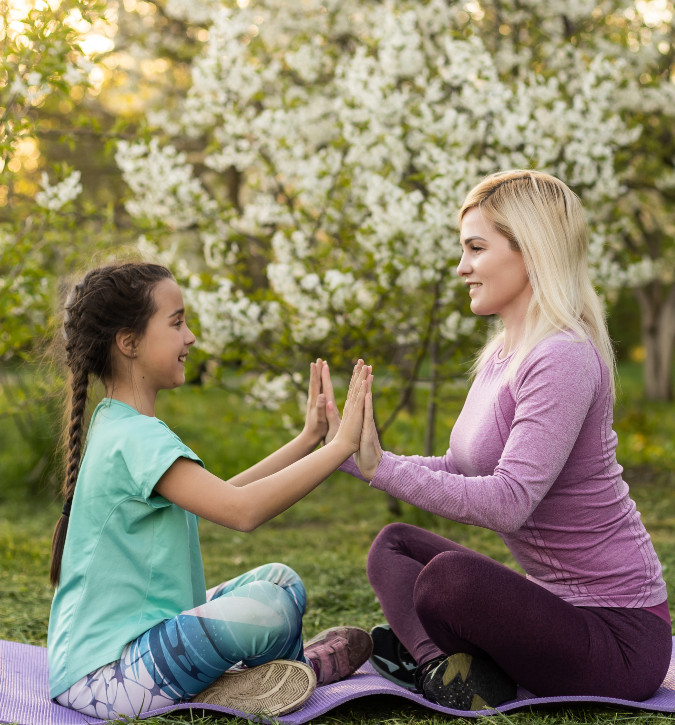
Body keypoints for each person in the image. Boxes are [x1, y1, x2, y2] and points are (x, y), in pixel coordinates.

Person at [325, 170, 672, 711]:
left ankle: (424, 658)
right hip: (554, 611)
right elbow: (459, 467)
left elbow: (509, 503)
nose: (462, 267)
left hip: (619, 639)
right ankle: (443, 668)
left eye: (476, 248)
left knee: (448, 582)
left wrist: (381, 470)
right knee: (394, 545)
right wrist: (346, 453)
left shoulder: (563, 357)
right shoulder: (502, 356)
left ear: (530, 251)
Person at [47, 262, 374, 720]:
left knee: (280, 580)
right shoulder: (136, 438)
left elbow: (220, 496)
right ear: (129, 342)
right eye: (177, 322)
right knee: (271, 608)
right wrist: (341, 446)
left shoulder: (118, 423)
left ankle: (257, 677)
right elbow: (241, 511)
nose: (191, 337)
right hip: (107, 679)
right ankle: (296, 670)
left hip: (115, 661)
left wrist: (307, 440)